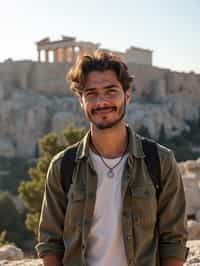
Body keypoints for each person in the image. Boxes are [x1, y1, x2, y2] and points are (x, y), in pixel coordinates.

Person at [36, 51, 188, 266]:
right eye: (91, 93)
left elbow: (174, 240)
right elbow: (50, 242)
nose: (102, 102)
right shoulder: (63, 166)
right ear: (81, 100)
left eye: (111, 91)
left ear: (127, 94)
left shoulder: (160, 161)